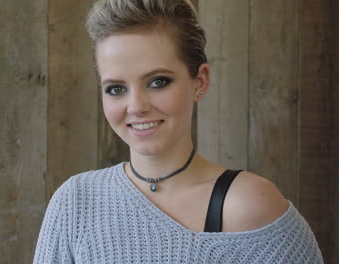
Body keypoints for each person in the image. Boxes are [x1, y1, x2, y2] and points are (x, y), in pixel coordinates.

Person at [34, 0, 323, 263]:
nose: (136, 106)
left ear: (200, 81)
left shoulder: (250, 205)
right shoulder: (75, 202)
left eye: (157, 82)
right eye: (116, 89)